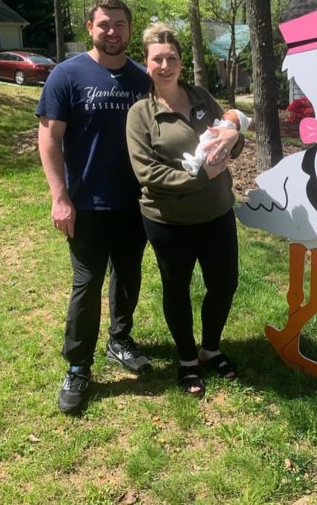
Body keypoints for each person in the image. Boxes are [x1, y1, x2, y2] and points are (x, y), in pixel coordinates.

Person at [37, 0, 152, 415]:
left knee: (128, 276)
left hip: (135, 204)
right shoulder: (67, 75)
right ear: (90, 27)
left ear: (129, 28)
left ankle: (120, 341)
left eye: (120, 24)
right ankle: (78, 365)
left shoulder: (143, 78)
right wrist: (59, 196)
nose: (112, 32)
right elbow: (49, 139)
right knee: (86, 286)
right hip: (86, 205)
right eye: (104, 24)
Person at [126, 22, 244, 397]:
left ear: (180, 61)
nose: (165, 65)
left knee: (224, 283)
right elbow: (148, 173)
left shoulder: (200, 98)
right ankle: (187, 360)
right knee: (177, 289)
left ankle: (210, 349)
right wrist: (203, 177)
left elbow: (230, 143)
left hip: (217, 212)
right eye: (157, 59)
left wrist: (233, 134)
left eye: (171, 58)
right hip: (169, 220)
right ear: (146, 64)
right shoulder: (141, 114)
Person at [181, 108, 251, 175]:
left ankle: (196, 164)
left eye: (230, 113)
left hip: (213, 146)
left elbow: (219, 129)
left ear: (238, 123)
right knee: (203, 153)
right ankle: (195, 164)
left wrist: (235, 135)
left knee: (204, 152)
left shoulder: (229, 124)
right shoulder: (224, 122)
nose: (226, 113)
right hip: (212, 145)